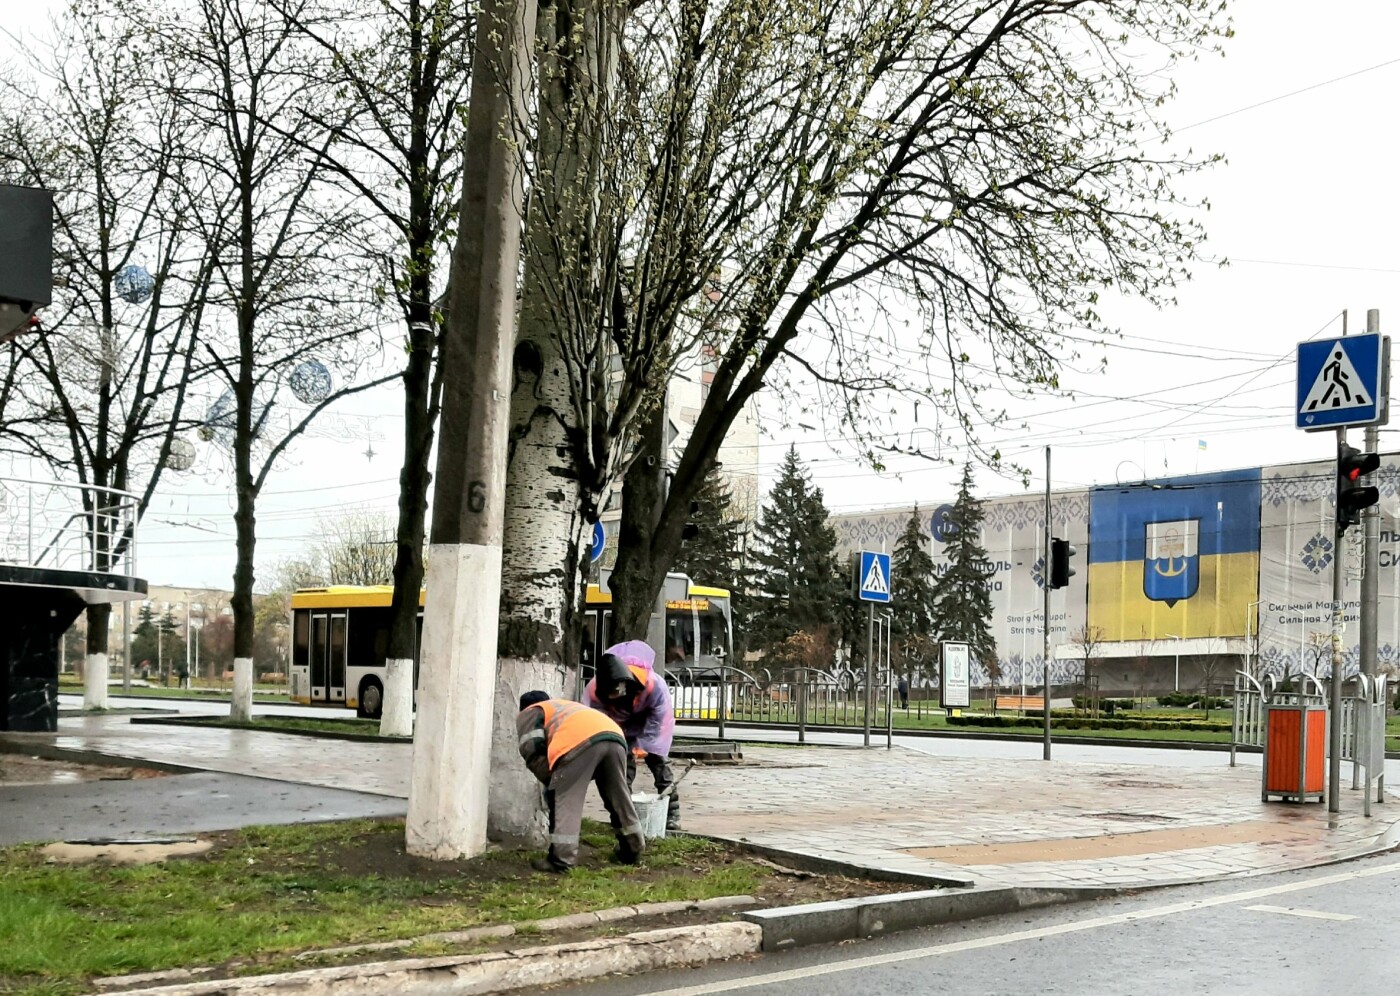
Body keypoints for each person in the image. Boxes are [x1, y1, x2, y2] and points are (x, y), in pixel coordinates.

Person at [516, 690, 646, 873]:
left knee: (566, 800)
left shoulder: (531, 711)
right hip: (614, 736)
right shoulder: (563, 707)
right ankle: (633, 849)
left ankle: (561, 860)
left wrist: (552, 781)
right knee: (619, 797)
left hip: (579, 742)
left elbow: (532, 750)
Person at [583, 640, 680, 830]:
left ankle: (672, 814)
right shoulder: (594, 692)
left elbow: (659, 717)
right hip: (617, 724)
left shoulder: (653, 686)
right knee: (620, 770)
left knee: (660, 766)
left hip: (649, 721)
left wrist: (646, 744)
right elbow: (595, 720)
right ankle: (624, 816)